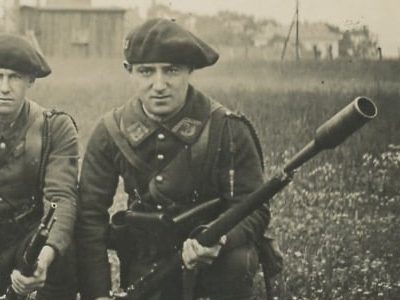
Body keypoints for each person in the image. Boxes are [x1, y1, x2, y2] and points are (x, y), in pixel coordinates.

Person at [76, 18, 270, 300]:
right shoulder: (111, 131)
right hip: (147, 258)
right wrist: (98, 294)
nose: (159, 85)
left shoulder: (227, 128)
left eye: (171, 70)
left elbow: (255, 207)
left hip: (215, 260)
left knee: (235, 264)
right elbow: (90, 216)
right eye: (146, 72)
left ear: (190, 70)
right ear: (128, 71)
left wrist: (222, 240)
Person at [0, 34, 79, 300]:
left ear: (31, 80)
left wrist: (43, 259)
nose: (4, 87)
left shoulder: (53, 127)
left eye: (15, 77)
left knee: (63, 252)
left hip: (29, 241)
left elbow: (61, 198)